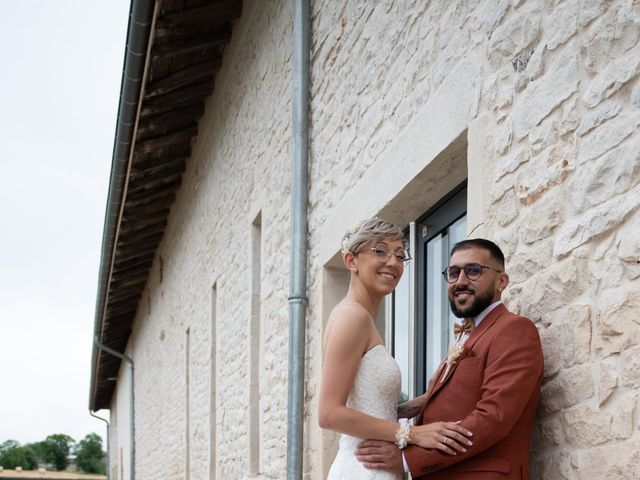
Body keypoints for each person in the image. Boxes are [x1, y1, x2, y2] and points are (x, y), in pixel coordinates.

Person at [355, 238, 544, 479]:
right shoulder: (467, 334)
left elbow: (494, 418)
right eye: (453, 273)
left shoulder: (514, 330)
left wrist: (407, 459)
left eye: (473, 271)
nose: (461, 281)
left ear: (501, 281)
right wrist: (383, 412)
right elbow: (446, 402)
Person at [319, 218, 473, 480]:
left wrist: (426, 400)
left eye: (400, 255)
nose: (393, 262)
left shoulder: (359, 317)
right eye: (380, 251)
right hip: (364, 470)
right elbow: (329, 414)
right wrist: (412, 434)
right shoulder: (352, 317)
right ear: (351, 261)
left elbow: (370, 408)